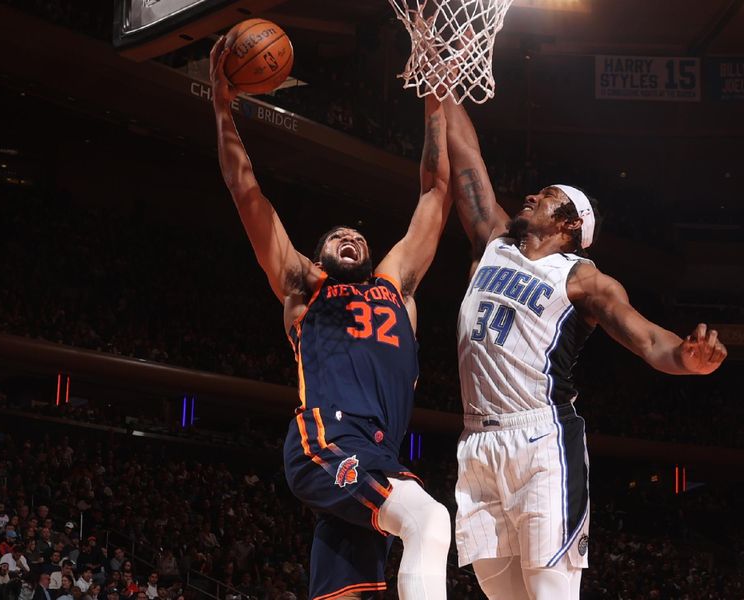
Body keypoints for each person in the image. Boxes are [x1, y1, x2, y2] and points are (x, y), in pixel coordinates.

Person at [442, 98, 728, 599]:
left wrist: (688, 361)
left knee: (550, 592)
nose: (532, 195)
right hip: (477, 441)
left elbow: (649, 340)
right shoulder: (494, 241)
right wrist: (439, 84)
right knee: (500, 595)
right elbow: (466, 154)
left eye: (548, 196)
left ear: (571, 224)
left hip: (540, 440)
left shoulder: (583, 279)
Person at [210, 37, 452, 600]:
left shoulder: (396, 286)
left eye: (357, 234)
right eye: (335, 236)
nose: (349, 235)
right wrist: (222, 104)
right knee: (429, 521)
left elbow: (437, 192)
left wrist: (436, 96)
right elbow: (245, 190)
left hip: (375, 453)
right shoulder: (303, 287)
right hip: (327, 437)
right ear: (317, 257)